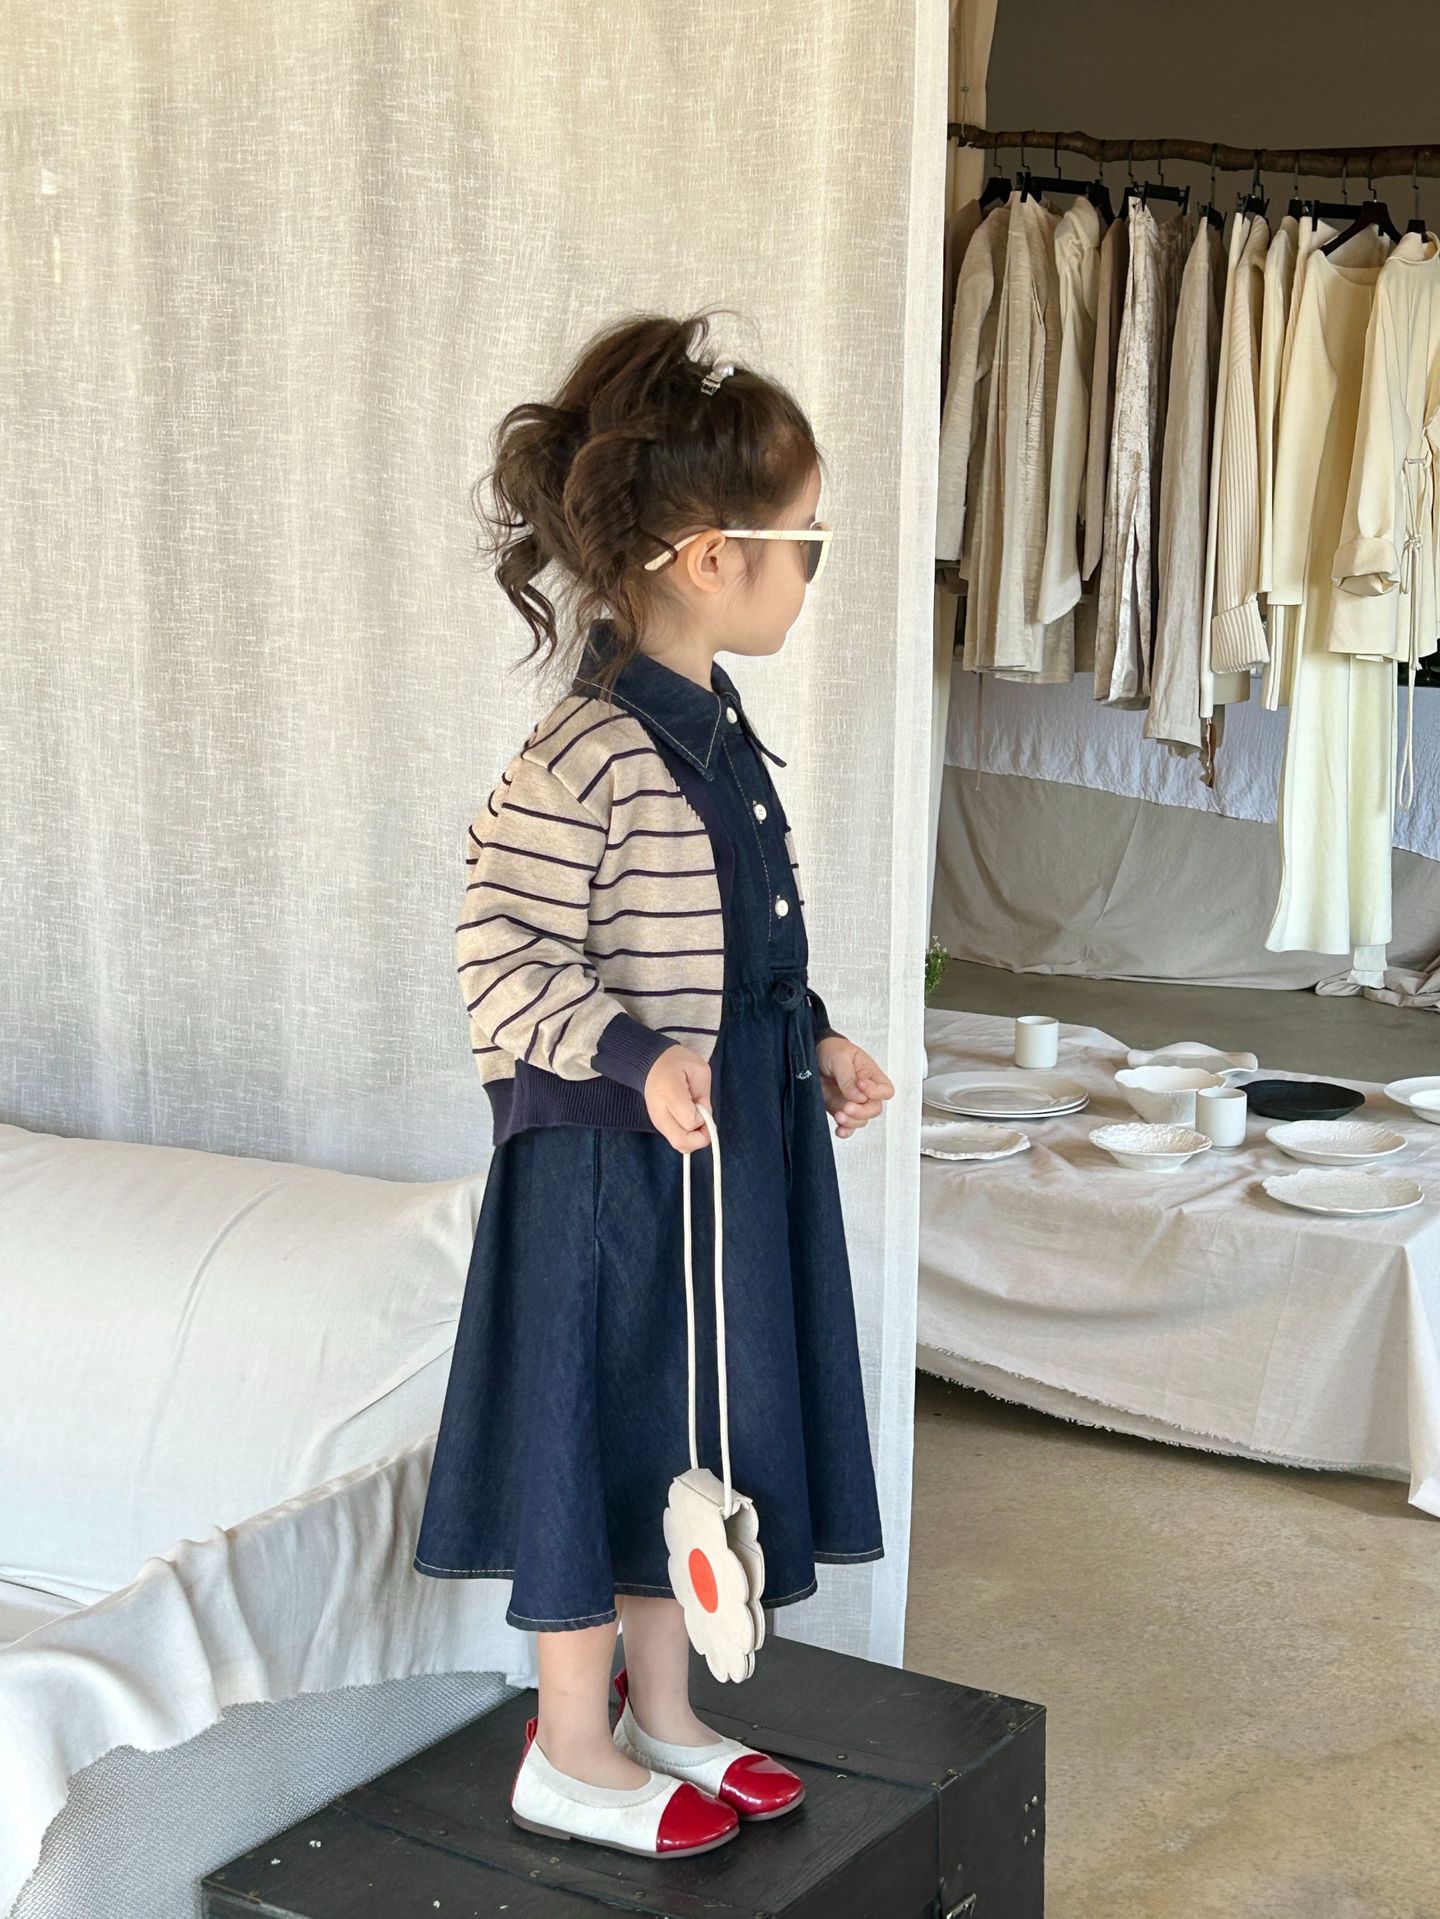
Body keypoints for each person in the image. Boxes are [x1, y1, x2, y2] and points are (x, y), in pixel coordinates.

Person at [412, 307, 895, 1859]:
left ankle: (663, 1715)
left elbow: (740, 936)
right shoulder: (584, 753)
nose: (812, 569)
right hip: (608, 1177)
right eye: (805, 540)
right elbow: (498, 954)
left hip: (717, 1154)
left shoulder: (717, 731)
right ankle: (566, 1747)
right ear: (709, 556)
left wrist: (810, 1036)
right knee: (598, 1433)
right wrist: (639, 1057)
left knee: (687, 1435)